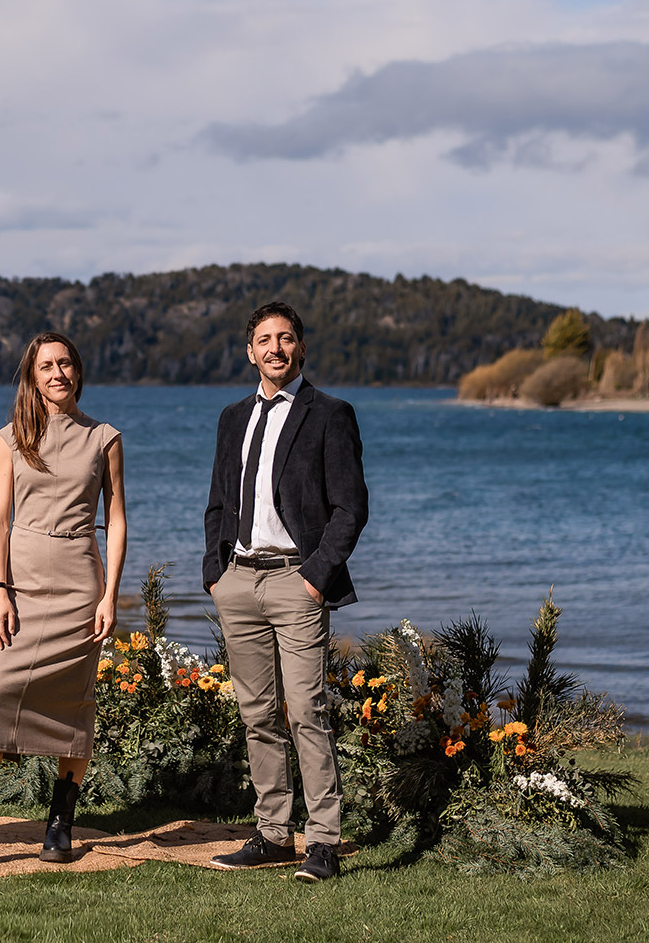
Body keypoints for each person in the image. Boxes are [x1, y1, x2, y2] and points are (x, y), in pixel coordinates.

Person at [0, 332, 127, 868]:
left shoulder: (105, 438)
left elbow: (116, 521)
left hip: (80, 583)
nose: (57, 373)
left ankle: (59, 825)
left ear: (77, 371)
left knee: (73, 701)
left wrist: (110, 594)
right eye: (47, 366)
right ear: (33, 377)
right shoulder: (11, 438)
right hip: (19, 583)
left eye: (65, 363)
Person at [202, 301, 367, 883]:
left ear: (301, 347)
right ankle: (273, 834)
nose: (276, 348)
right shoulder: (232, 418)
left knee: (306, 712)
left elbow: (351, 508)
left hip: (298, 580)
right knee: (257, 714)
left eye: (286, 338)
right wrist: (216, 573)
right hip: (239, 581)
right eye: (265, 339)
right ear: (250, 352)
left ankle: (322, 841)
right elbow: (218, 503)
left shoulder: (331, 414)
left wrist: (316, 576)